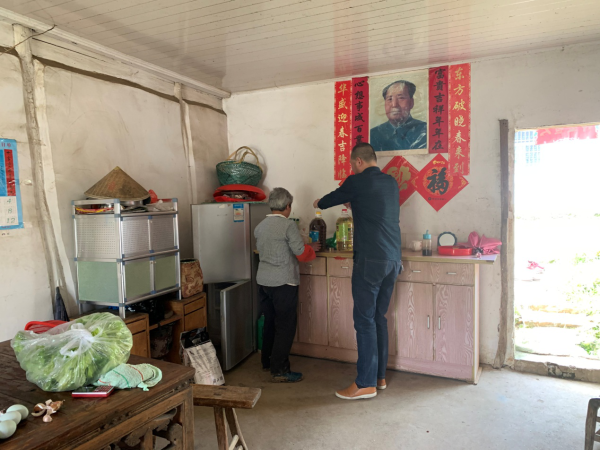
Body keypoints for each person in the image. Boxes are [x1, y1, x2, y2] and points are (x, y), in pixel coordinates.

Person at [313, 143, 401, 400]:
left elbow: (327, 201)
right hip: (393, 259)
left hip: (370, 260)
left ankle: (365, 383)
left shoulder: (357, 181)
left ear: (359, 161)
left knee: (364, 321)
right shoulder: (391, 183)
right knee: (378, 318)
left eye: (352, 164)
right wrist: (355, 204)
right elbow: (376, 211)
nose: (352, 168)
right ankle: (379, 377)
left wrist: (318, 202)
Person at [255, 187, 321, 383]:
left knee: (270, 322)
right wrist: (312, 248)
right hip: (283, 282)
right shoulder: (288, 225)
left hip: (264, 282)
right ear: (287, 206)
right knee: (285, 326)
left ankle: (267, 361)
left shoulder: (260, 226)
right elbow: (301, 253)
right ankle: (280, 370)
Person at [370, 80, 427, 151]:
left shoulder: (425, 130)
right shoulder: (373, 134)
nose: (394, 104)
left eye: (401, 98)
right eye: (389, 99)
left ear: (411, 102)